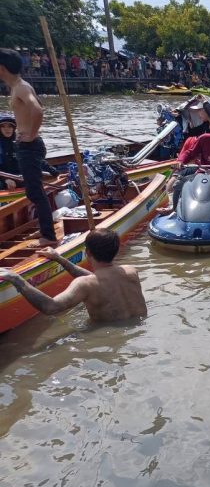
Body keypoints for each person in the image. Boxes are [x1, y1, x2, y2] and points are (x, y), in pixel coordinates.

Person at [0, 229, 147, 322]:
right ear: (116, 250)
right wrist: (60, 259)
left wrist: (16, 279)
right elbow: (100, 281)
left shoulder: (85, 284)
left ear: (87, 253)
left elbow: (51, 307)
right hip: (140, 328)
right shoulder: (131, 271)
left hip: (109, 340)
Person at [0, 48, 56, 245]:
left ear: (2, 68)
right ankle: (44, 230)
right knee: (34, 190)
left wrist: (30, 134)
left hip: (29, 146)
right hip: (27, 146)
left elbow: (38, 109)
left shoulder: (21, 88)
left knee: (35, 192)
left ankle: (49, 236)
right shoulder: (18, 87)